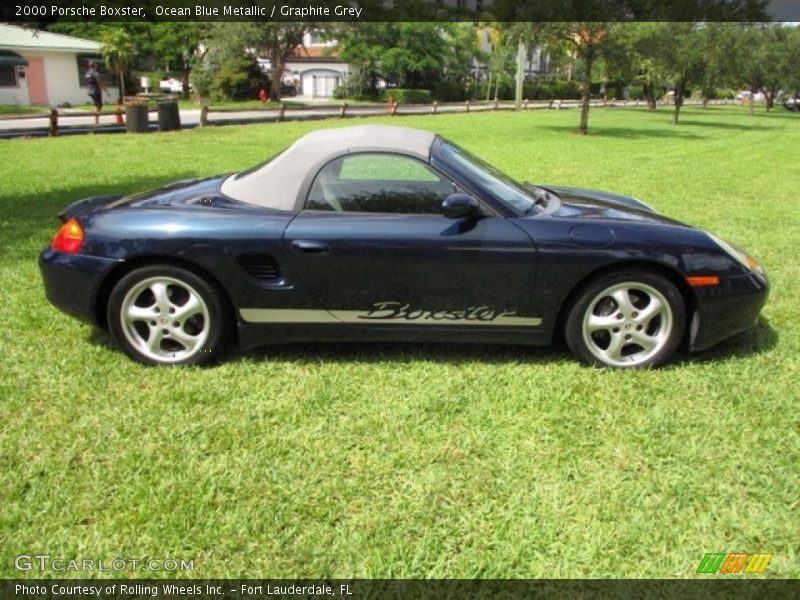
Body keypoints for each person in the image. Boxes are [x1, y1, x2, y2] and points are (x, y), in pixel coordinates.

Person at [84, 61, 108, 125]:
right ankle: (96, 121)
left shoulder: (87, 73)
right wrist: (106, 90)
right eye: (96, 65)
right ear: (95, 66)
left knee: (98, 105)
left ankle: (96, 117)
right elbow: (99, 82)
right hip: (96, 91)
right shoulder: (96, 73)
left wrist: (88, 89)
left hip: (90, 91)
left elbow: (87, 82)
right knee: (99, 106)